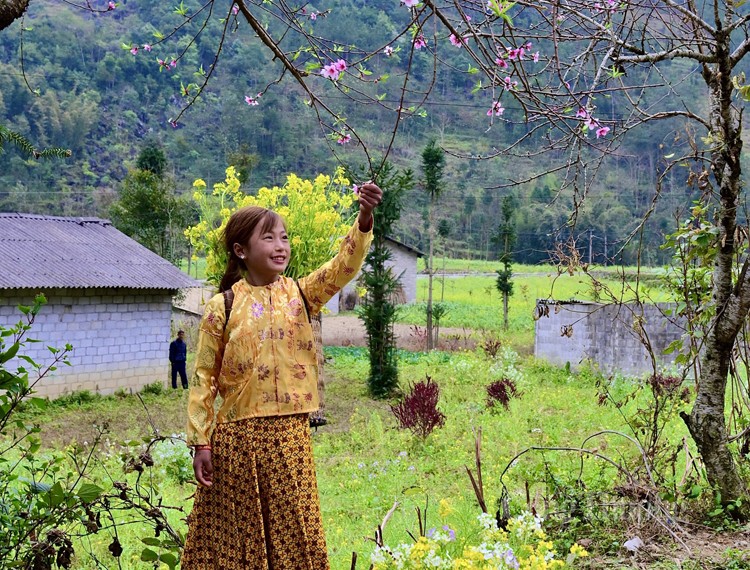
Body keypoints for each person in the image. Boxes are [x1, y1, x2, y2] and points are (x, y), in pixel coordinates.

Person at [181, 182, 382, 569]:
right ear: (241, 251)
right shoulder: (220, 307)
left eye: (284, 237)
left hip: (290, 436)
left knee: (297, 535)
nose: (281, 246)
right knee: (236, 542)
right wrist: (201, 444)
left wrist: (364, 218)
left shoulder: (302, 294)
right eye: (268, 237)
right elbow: (203, 378)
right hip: (237, 442)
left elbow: (344, 267)